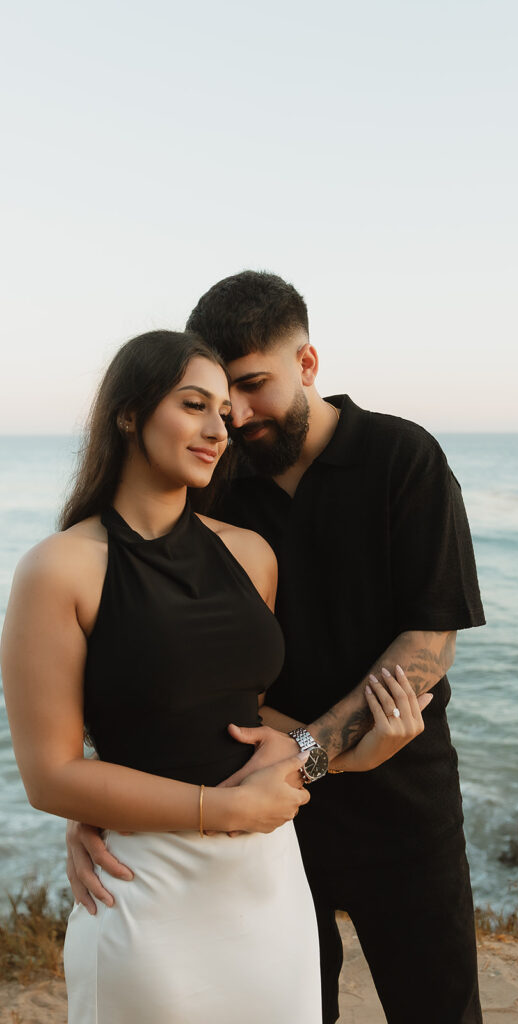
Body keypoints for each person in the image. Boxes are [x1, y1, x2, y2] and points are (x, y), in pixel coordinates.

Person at [67, 274, 487, 1024]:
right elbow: (149, 648)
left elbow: (427, 642)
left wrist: (305, 752)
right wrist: (93, 800)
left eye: (254, 386)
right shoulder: (216, 485)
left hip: (400, 800)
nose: (238, 415)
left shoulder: (402, 457)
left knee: (438, 1008)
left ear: (308, 363)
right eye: (221, 396)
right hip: (260, 819)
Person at [1, 330, 324, 1023]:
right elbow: (50, 774)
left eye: (225, 414)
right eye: (194, 405)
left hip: (270, 887)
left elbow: (238, 713)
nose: (219, 429)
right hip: (144, 889)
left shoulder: (252, 555)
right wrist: (221, 810)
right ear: (128, 414)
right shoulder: (59, 569)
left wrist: (304, 751)